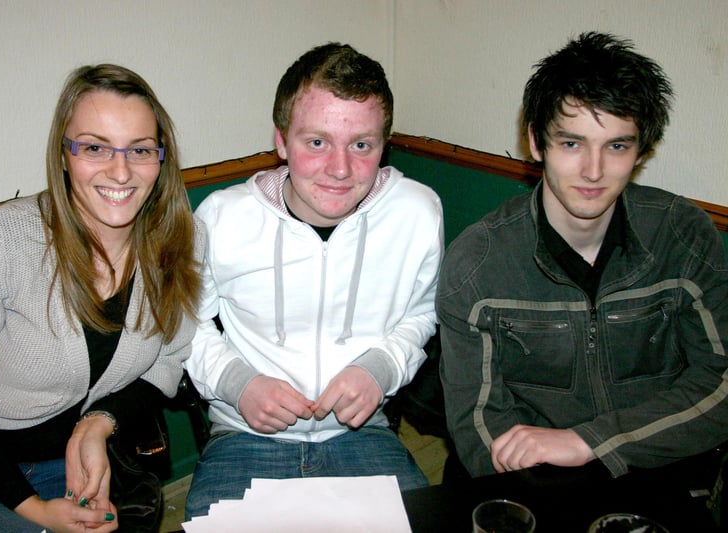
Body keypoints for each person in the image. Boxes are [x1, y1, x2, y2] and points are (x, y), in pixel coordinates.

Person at [438, 31, 728, 480]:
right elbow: (477, 422)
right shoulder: (477, 264)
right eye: (571, 144)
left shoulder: (684, 235)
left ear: (640, 151)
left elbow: (720, 381)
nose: (594, 171)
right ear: (536, 142)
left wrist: (594, 442)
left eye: (616, 146)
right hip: (537, 480)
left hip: (661, 463)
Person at [0, 64, 201, 532]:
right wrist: (35, 510)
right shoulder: (5, 241)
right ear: (64, 154)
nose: (121, 171)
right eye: (95, 147)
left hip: (70, 462)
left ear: (161, 158)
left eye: (139, 150)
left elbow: (167, 364)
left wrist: (99, 422)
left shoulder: (178, 240)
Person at [184, 42, 444, 517]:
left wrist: (381, 367)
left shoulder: (417, 212)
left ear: (385, 143)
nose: (340, 169)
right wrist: (237, 383)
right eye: (317, 142)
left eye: (361, 144)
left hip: (363, 433)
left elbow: (421, 314)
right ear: (282, 141)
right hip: (245, 435)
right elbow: (186, 325)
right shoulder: (222, 218)